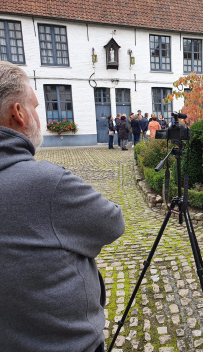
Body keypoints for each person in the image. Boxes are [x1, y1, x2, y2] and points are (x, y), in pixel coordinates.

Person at [0, 61, 125, 351]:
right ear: (18, 113)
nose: (38, 115)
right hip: (63, 342)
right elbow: (112, 222)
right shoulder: (46, 183)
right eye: (35, 106)